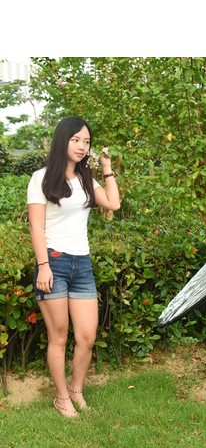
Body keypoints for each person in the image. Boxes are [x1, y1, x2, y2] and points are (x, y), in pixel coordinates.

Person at [27, 117, 121, 419]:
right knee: (59, 336)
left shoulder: (85, 179)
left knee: (87, 336)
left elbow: (113, 203)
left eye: (87, 142)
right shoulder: (41, 178)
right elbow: (36, 227)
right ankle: (61, 397)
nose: (82, 146)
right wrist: (43, 266)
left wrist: (106, 168)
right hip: (53, 260)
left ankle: (77, 389)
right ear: (63, 141)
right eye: (76, 140)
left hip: (82, 263)